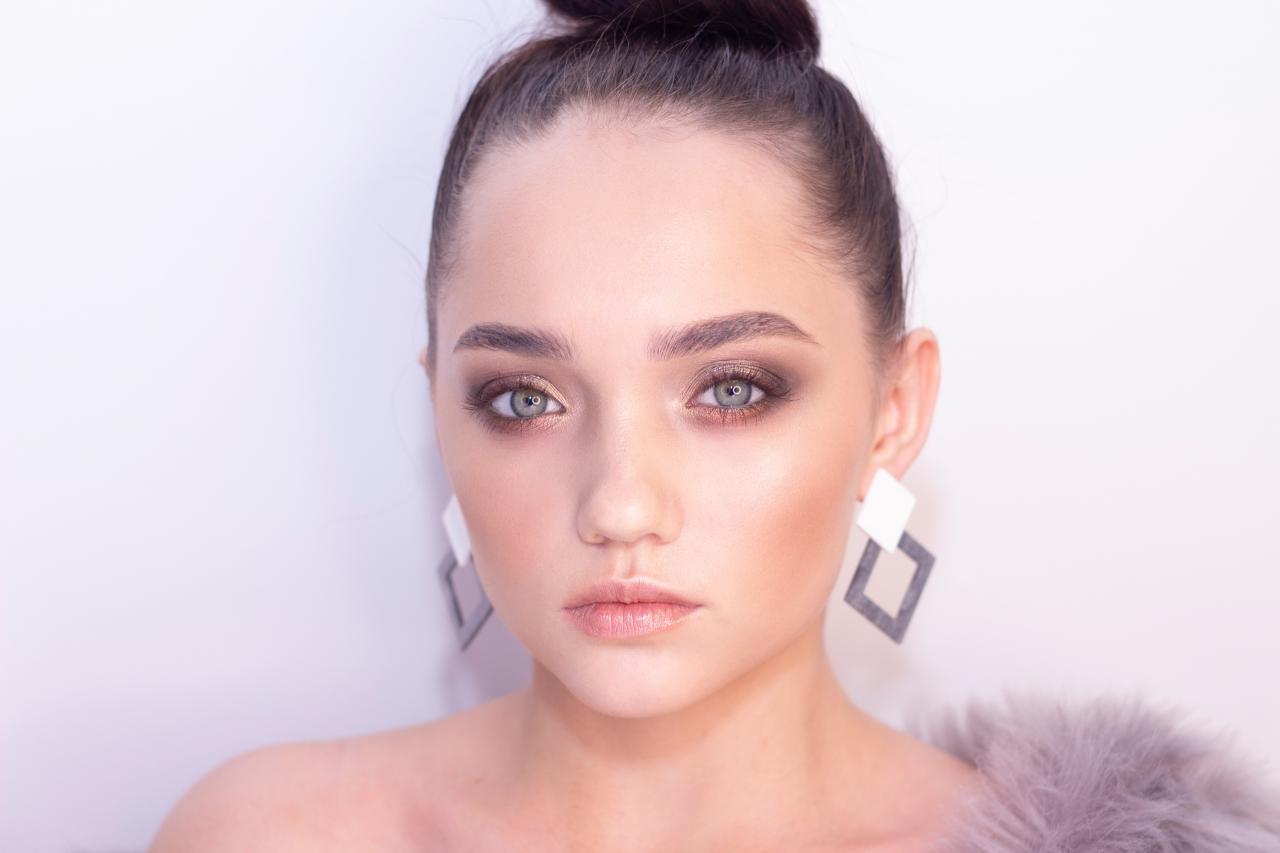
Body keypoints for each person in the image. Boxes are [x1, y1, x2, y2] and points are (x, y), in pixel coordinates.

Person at [150, 1, 1280, 850]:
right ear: (438, 406)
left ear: (892, 412)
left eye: (731, 389)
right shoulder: (261, 834)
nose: (619, 503)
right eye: (525, 398)